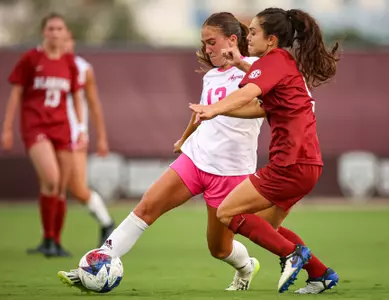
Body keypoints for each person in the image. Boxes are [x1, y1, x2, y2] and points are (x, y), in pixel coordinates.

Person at [58, 12, 263, 292]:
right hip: (196, 158)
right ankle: (96, 263)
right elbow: (202, 114)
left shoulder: (254, 68)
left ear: (232, 39)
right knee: (146, 207)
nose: (207, 49)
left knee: (219, 248)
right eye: (204, 43)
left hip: (231, 171)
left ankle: (246, 266)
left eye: (212, 42)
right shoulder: (212, 76)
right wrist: (184, 138)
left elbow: (267, 107)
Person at [190, 8, 340, 294]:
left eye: (254, 32)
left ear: (271, 40)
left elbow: (247, 94)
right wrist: (241, 71)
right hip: (307, 164)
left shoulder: (273, 61)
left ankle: (292, 255)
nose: (249, 37)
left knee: (227, 212)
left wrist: (213, 108)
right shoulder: (281, 63)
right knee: (266, 227)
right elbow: (262, 99)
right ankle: (321, 274)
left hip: (289, 164)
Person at [1, 13, 86, 257]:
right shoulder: (30, 59)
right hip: (36, 127)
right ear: (43, 32)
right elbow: (15, 94)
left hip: (62, 127)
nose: (55, 33)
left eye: (60, 28)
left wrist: (80, 128)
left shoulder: (69, 62)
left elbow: (77, 97)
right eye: (51, 28)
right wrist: (7, 128)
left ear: (65, 33)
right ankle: (49, 239)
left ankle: (53, 241)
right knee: (51, 178)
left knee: (59, 187)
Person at [63, 32, 115, 247]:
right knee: (52, 185)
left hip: (74, 134)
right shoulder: (41, 64)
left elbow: (93, 104)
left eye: (67, 38)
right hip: (48, 134)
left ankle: (107, 222)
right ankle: (50, 239)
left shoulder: (82, 68)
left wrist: (101, 137)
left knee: (77, 188)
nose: (62, 42)